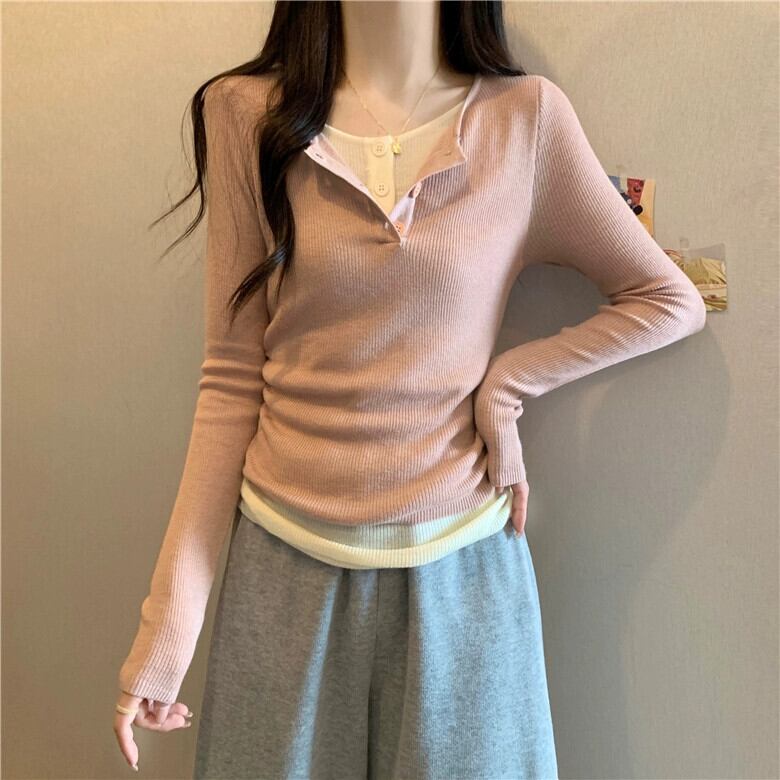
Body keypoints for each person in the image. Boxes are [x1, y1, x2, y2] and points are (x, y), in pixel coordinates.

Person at [112, 1, 707, 778]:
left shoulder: (524, 120)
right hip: (282, 578)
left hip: (465, 583)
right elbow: (229, 381)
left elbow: (667, 300)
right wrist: (166, 634)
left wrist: (509, 384)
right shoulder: (244, 115)